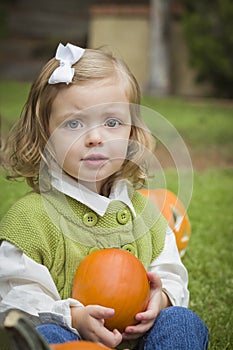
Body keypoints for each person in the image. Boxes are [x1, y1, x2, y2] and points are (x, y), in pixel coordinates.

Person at [0, 43, 208, 349]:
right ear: (45, 134)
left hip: (138, 338)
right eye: (73, 123)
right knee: (45, 337)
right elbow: (17, 297)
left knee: (183, 322)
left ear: (131, 133)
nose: (95, 138)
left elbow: (170, 271)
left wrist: (160, 297)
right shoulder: (30, 220)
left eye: (112, 123)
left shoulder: (146, 214)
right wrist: (74, 317)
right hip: (70, 335)